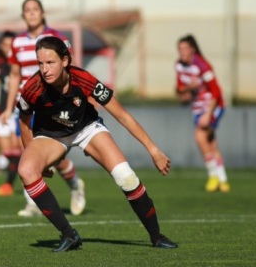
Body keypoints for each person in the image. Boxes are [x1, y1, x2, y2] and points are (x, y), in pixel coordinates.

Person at [17, 36, 178, 251]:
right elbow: (25, 124)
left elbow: (123, 116)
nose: (44, 69)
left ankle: (157, 237)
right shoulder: (32, 88)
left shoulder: (84, 80)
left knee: (126, 177)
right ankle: (69, 234)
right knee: (26, 170)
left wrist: (153, 150)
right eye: (40, 63)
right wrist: (37, 158)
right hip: (51, 135)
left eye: (50, 62)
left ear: (65, 61)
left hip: (87, 129)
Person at [0, 0, 85, 217]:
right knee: (28, 153)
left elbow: (70, 70)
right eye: (27, 10)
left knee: (55, 159)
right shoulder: (17, 43)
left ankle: (75, 185)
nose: (31, 13)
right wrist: (9, 108)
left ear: (42, 12)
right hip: (26, 105)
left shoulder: (57, 38)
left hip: (51, 105)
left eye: (35, 9)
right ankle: (32, 203)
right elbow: (15, 75)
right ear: (23, 15)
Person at [175, 34, 230, 192]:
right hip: (197, 107)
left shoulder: (202, 65)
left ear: (193, 49)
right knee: (211, 143)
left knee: (200, 136)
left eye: (185, 48)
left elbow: (216, 91)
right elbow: (180, 90)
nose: (182, 52)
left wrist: (208, 114)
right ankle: (223, 180)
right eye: (180, 49)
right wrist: (187, 89)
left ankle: (212, 175)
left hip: (213, 105)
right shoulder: (179, 66)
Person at [0, 31, 23, 196]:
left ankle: (10, 183)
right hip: (2, 111)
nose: (7, 48)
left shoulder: (20, 63)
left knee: (18, 148)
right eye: (4, 44)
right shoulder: (1, 64)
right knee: (7, 151)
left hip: (17, 111)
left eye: (11, 44)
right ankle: (20, 175)